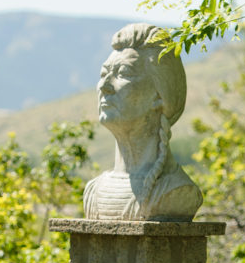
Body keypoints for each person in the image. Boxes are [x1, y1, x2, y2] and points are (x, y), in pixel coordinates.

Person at [82, 23, 203, 221]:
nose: (104, 86)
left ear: (160, 95)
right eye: (104, 74)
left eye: (124, 74)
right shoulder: (93, 191)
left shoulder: (175, 191)